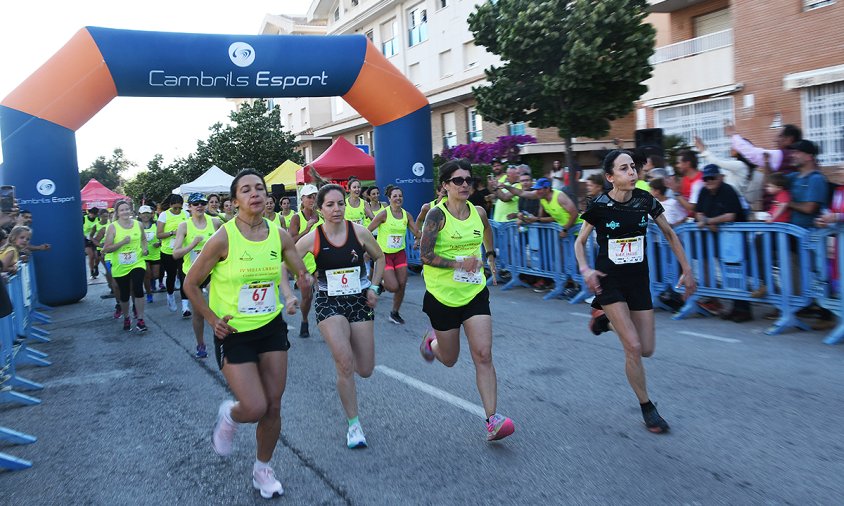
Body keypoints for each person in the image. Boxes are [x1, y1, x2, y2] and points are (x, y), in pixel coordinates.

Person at [184, 169, 308, 500]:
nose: (255, 194)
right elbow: (191, 284)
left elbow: (298, 268)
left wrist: (301, 287)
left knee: (273, 406)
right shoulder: (223, 237)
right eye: (246, 190)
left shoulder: (278, 235)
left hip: (270, 327)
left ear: (267, 196)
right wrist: (211, 319)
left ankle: (262, 469)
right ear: (235, 199)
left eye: (259, 188)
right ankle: (230, 414)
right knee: (253, 406)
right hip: (233, 330)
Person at [575, 149, 696, 434]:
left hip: (639, 279)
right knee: (633, 347)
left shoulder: (645, 200)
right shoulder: (599, 205)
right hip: (609, 279)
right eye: (624, 169)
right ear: (610, 177)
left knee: (648, 349)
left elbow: (669, 233)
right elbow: (580, 242)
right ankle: (648, 408)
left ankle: (603, 318)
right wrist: (585, 269)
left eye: (633, 167)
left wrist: (687, 269)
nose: (632, 173)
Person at [418, 159, 514, 442]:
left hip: (474, 293)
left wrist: (491, 255)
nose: (464, 185)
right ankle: (431, 343)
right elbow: (425, 256)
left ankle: (492, 420)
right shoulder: (436, 216)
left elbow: (486, 230)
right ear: (445, 185)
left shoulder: (479, 212)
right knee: (449, 359)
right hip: (442, 297)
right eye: (457, 180)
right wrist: (458, 264)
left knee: (483, 354)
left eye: (468, 180)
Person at [295, 184, 385, 448]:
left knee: (365, 369)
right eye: (330, 205)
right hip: (328, 301)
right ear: (320, 209)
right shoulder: (313, 237)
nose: (336, 209)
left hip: (359, 299)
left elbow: (379, 257)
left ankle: (350, 371)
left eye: (340, 204)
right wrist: (299, 279)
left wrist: (375, 287)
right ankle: (354, 425)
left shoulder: (359, 232)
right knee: (344, 362)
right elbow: (288, 258)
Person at [693, 164, 751, 322]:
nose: (709, 181)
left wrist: (709, 221)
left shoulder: (728, 190)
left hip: (734, 238)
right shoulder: (703, 191)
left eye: (712, 177)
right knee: (727, 272)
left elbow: (731, 215)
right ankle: (735, 307)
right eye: (706, 178)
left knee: (736, 271)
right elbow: (698, 212)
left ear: (720, 177)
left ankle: (743, 309)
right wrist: (704, 221)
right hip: (718, 237)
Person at [173, 193, 222, 358]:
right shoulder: (184, 226)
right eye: (195, 204)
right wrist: (193, 244)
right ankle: (200, 343)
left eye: (202, 203)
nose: (199, 206)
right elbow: (176, 254)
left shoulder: (214, 222)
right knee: (198, 313)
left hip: (212, 272)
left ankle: (225, 338)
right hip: (193, 274)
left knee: (220, 306)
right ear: (189, 207)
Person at [367, 186, 420, 324]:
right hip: (384, 255)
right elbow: (368, 231)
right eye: (395, 196)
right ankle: (381, 285)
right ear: (389, 198)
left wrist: (421, 238)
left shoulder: (406, 215)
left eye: (400, 196)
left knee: (402, 284)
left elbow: (416, 232)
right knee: (393, 287)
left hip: (400, 254)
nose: (398, 198)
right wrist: (368, 249)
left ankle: (394, 313)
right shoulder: (384, 214)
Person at [102, 200, 148, 332]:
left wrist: (144, 249)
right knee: (124, 292)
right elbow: (107, 248)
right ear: (117, 213)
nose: (125, 212)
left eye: (127, 209)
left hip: (137, 262)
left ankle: (140, 319)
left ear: (131, 211)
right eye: (122, 210)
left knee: (138, 287)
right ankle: (127, 316)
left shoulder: (138, 224)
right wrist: (122, 242)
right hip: (120, 265)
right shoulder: (113, 227)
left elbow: (143, 239)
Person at [288, 184, 322, 338]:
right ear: (302, 199)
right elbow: (291, 241)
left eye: (315, 196)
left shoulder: (322, 215)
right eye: (309, 196)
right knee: (307, 297)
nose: (312, 199)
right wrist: (306, 230)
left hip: (320, 260)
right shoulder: (297, 217)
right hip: (302, 263)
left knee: (324, 293)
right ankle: (304, 319)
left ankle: (325, 322)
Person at [156, 194, 189, 313]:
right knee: (171, 276)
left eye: (180, 208)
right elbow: (158, 234)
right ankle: (170, 296)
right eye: (175, 208)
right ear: (170, 205)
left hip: (182, 251)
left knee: (183, 276)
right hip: (168, 252)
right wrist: (173, 233)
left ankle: (185, 306)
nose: (177, 210)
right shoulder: (164, 215)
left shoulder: (186, 214)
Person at [728, 123, 802, 174]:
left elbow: (753, 154)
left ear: (789, 140)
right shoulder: (797, 156)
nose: (775, 140)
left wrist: (733, 135)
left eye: (780, 136)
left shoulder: (783, 155)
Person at [138, 205, 162, 302]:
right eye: (143, 213)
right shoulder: (136, 226)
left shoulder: (156, 225)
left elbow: (161, 237)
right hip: (143, 254)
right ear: (139, 215)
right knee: (147, 275)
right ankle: (149, 293)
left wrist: (159, 243)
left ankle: (152, 283)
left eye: (147, 213)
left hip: (155, 254)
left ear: (151, 214)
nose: (146, 215)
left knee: (155, 275)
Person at [83, 207, 100, 279]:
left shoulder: (98, 219)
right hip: (86, 239)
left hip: (95, 239)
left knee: (97, 256)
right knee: (91, 255)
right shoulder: (84, 218)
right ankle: (91, 271)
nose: (91, 215)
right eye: (91, 213)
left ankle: (96, 266)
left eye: (93, 214)